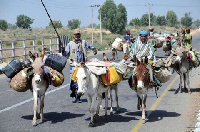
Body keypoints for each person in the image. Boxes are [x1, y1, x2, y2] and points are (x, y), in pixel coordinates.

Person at [65, 28, 97, 103]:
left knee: (81, 81)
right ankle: (73, 95)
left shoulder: (83, 42)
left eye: (78, 34)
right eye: (76, 34)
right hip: (74, 65)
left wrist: (94, 49)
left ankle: (78, 96)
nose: (77, 36)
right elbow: (66, 53)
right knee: (73, 80)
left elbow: (90, 46)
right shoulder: (70, 44)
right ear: (73, 35)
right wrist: (64, 51)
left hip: (82, 65)